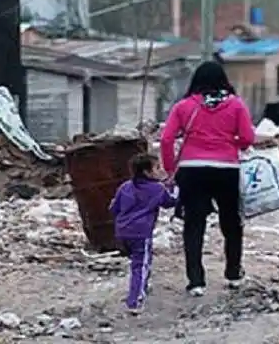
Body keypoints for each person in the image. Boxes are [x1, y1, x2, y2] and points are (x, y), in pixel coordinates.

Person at [160, 60, 255, 297]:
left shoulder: (183, 106)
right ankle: (233, 273)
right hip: (226, 169)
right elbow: (247, 138)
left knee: (194, 223)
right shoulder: (236, 105)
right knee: (231, 222)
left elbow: (166, 139)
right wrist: (230, 143)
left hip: (192, 169)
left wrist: (170, 168)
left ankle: (196, 281)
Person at [109, 153, 178, 315]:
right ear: (147, 172)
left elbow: (113, 208)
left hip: (122, 231)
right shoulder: (157, 189)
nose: (160, 171)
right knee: (140, 265)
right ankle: (135, 300)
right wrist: (175, 188)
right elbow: (170, 202)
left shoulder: (125, 186)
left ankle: (142, 287)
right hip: (141, 233)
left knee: (140, 262)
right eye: (157, 168)